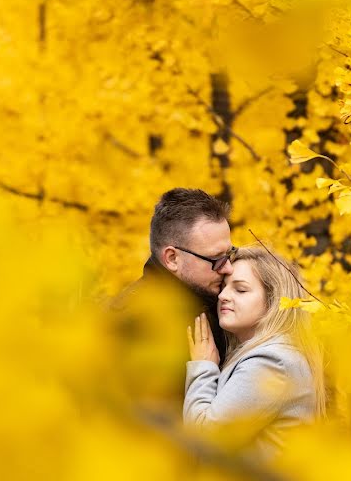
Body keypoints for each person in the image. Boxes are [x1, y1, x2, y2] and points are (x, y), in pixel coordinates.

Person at [184, 246, 325, 462]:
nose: (223, 296)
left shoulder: (273, 363)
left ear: (273, 302)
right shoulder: (277, 354)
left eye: (240, 290)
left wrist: (203, 367)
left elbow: (203, 441)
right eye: (223, 287)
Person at [108, 188, 236, 416]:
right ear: (172, 258)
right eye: (216, 259)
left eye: (230, 254)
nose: (228, 267)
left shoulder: (218, 298)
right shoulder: (130, 324)